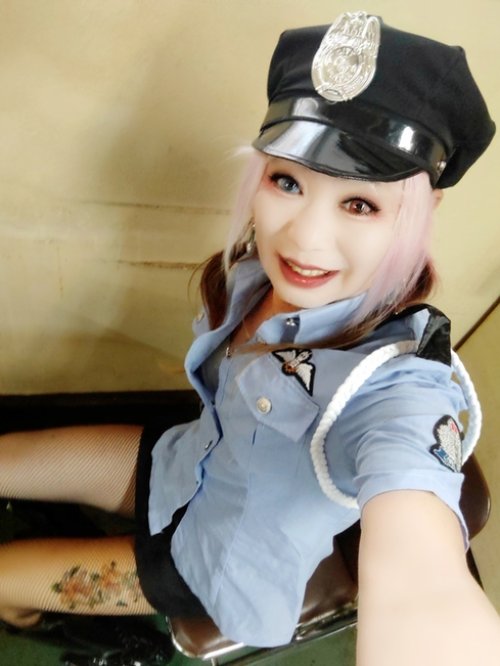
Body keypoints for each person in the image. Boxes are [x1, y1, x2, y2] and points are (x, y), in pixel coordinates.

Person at [1, 9, 499, 665]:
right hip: (187, 463)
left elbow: (422, 576)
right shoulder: (255, 276)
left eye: (360, 203)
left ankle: (48, 622)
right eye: (287, 181)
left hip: (215, 560)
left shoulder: (396, 386)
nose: (303, 239)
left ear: (422, 210)